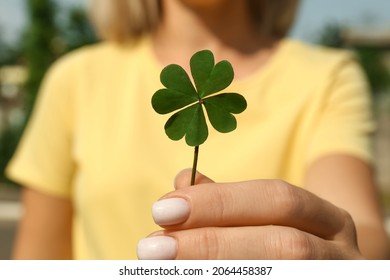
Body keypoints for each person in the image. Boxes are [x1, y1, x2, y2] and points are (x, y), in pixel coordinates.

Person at [6, 0, 390, 260]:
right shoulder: (75, 79)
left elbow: (362, 229)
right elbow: (37, 261)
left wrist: (345, 256)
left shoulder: (327, 77)